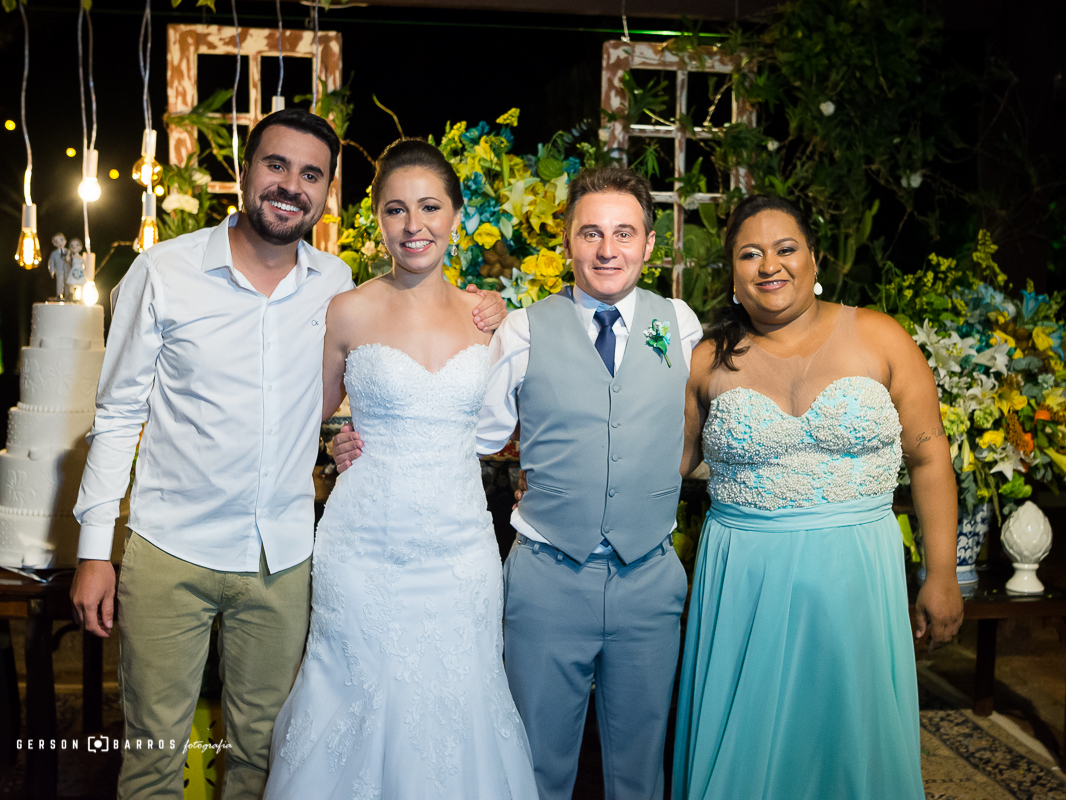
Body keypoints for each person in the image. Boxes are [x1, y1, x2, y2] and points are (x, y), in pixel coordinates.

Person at [68, 109, 506, 800]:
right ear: (245, 172)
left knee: (261, 760)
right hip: (169, 548)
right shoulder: (164, 272)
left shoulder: (335, 285)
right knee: (152, 762)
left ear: (327, 193)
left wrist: (341, 440)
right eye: (276, 165)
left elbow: (338, 389)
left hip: (282, 557)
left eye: (311, 174)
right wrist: (95, 548)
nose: (290, 185)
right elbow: (118, 412)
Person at [332, 165, 705, 799]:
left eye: (624, 233)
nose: (607, 249)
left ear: (648, 244)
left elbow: (694, 430)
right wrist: (360, 435)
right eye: (591, 232)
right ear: (567, 240)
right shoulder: (523, 328)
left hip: (651, 577)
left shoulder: (683, 326)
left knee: (643, 772)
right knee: (537, 769)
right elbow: (468, 431)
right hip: (549, 576)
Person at [263, 138, 538, 799]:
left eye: (429, 207)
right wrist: (333, 445)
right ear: (378, 220)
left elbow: (521, 425)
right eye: (395, 210)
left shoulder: (490, 320)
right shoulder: (347, 309)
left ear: (456, 214)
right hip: (362, 548)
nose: (413, 226)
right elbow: (309, 414)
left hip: (459, 553)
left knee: (458, 703)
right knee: (350, 697)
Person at [671, 194, 963, 799]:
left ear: (813, 257)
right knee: (746, 750)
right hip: (744, 581)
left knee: (848, 741)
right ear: (732, 272)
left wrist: (942, 575)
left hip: (857, 577)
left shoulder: (878, 336)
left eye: (785, 249)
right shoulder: (707, 360)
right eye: (750, 254)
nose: (768, 266)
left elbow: (930, 456)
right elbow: (662, 470)